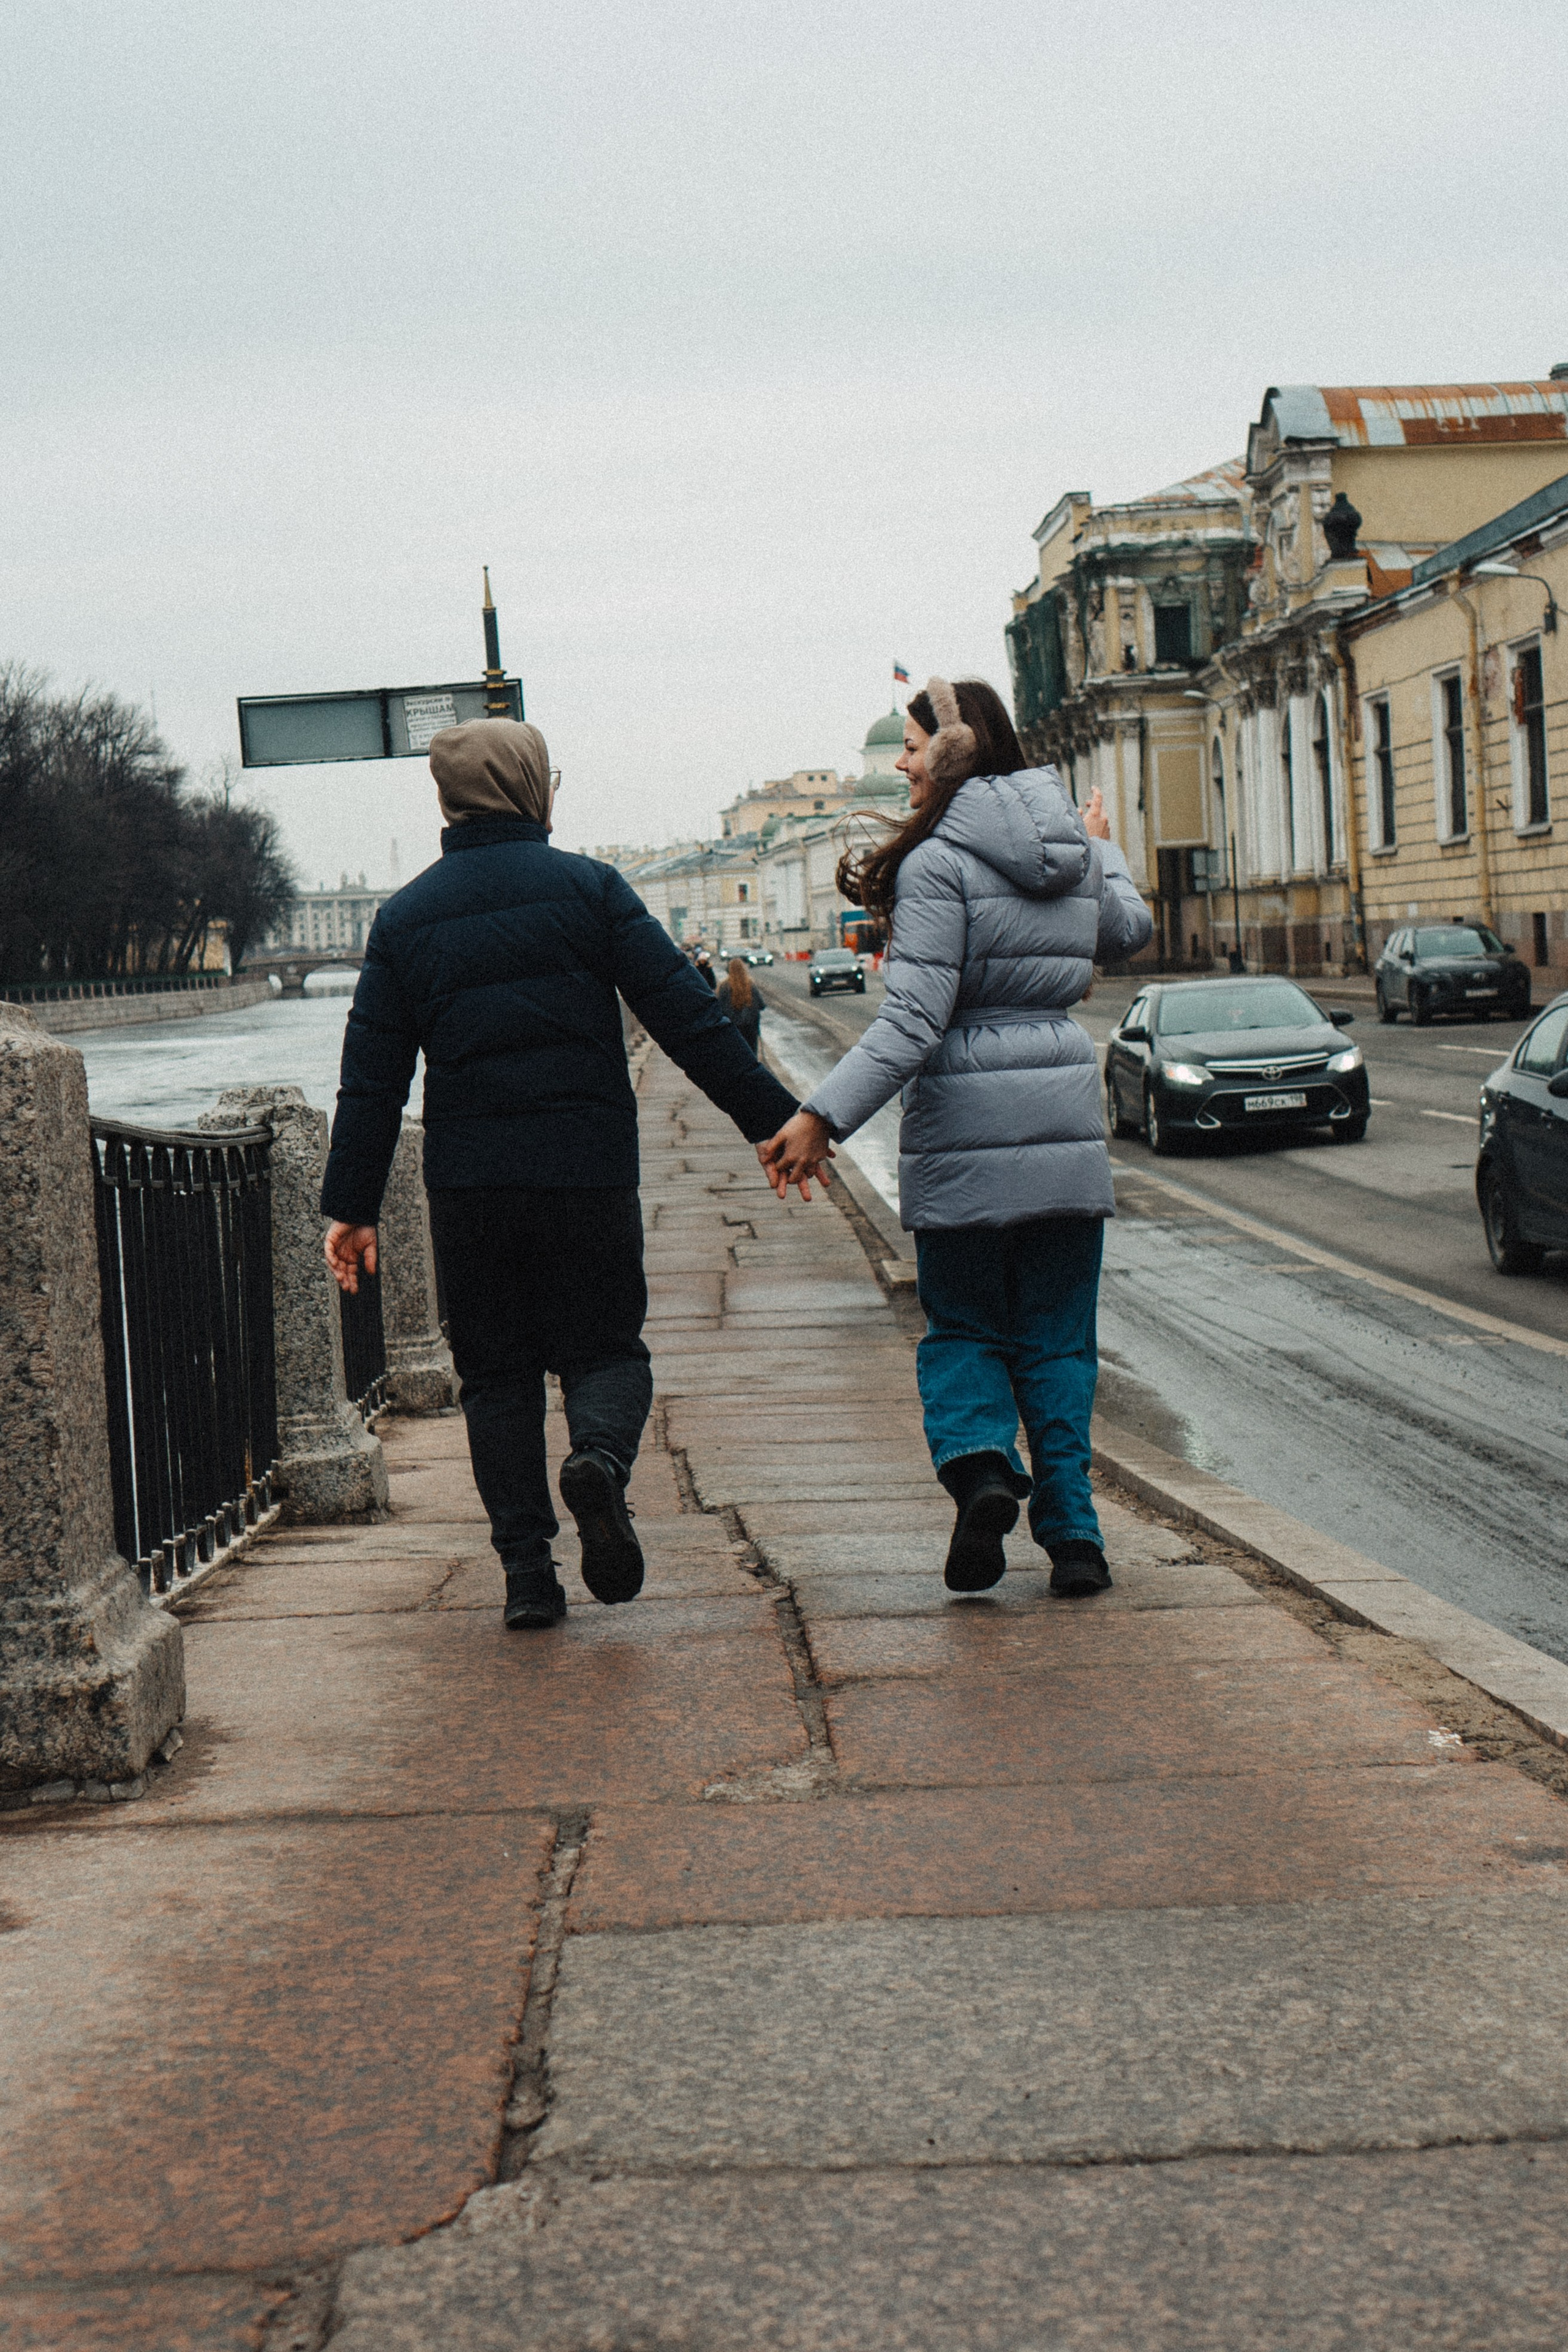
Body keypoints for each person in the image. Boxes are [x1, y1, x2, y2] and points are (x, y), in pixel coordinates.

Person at [320, 717, 802, 1631]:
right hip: (586, 1173)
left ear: (449, 799)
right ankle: (600, 1463)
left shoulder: (406, 918)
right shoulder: (591, 890)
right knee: (606, 1352)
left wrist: (350, 1204)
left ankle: (527, 1577)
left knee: (496, 1378)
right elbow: (687, 1017)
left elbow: (372, 1078)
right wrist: (776, 1124)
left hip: (471, 1189)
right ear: (533, 787)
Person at [760, 677, 1152, 1599]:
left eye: (911, 746)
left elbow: (913, 1022)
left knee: (966, 1329)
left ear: (953, 749)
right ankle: (1075, 1539)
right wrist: (1103, 847)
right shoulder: (1070, 850)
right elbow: (1128, 931)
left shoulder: (938, 863)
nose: (902, 765)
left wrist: (821, 1116)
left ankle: (981, 1475)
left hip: (964, 1134)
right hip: (1061, 1123)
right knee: (1059, 1344)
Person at [715, 956, 764, 1055]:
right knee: (751, 1056)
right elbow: (761, 1005)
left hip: (732, 1029)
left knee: (736, 1056)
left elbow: (719, 1008)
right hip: (750, 1028)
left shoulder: (724, 987)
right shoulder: (750, 985)